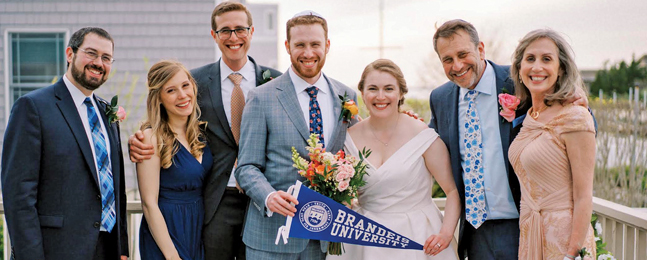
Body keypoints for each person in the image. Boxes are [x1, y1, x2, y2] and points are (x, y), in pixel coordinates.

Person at [128, 2, 281, 259]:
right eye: (225, 30)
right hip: (214, 203)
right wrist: (138, 139)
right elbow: (166, 120)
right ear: (214, 35)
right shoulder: (194, 82)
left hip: (263, 201)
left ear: (252, 31)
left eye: (240, 29)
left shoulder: (276, 81)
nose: (233, 37)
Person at [234, 11, 357, 260]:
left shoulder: (346, 96)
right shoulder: (261, 97)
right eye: (300, 45)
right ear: (288, 47)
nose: (308, 53)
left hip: (325, 239)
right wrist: (268, 196)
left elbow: (362, 147)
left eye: (315, 44)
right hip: (272, 237)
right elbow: (246, 167)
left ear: (327, 46)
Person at [1, 27, 129, 260]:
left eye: (106, 58)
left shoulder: (106, 113)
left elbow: (114, 184)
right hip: (56, 249)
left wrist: (121, 248)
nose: (99, 63)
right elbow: (18, 196)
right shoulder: (33, 107)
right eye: (91, 53)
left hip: (106, 248)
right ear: (70, 54)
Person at [327, 59, 461, 260]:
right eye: (373, 89)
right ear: (362, 93)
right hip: (365, 239)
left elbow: (452, 191)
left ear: (400, 93)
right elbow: (341, 192)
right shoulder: (347, 138)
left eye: (389, 88)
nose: (380, 96)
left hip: (418, 239)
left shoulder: (423, 135)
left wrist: (446, 233)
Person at [428, 19, 523, 260]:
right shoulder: (440, 98)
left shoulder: (519, 81)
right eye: (447, 59)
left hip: (523, 224)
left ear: (480, 49)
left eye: (463, 54)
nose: (457, 65)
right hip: (474, 232)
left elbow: (574, 123)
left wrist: (577, 103)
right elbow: (430, 151)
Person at [508, 29, 597, 260]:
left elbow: (584, 195)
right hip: (530, 233)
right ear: (519, 70)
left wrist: (572, 253)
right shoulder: (528, 117)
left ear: (561, 70)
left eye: (547, 59)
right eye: (530, 59)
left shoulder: (575, 116)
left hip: (563, 239)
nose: (537, 67)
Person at [137, 60, 213, 260]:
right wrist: (171, 256)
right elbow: (148, 203)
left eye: (185, 85)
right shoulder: (151, 137)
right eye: (171, 90)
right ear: (159, 98)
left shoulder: (201, 135)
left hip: (197, 229)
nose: (182, 95)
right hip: (166, 233)